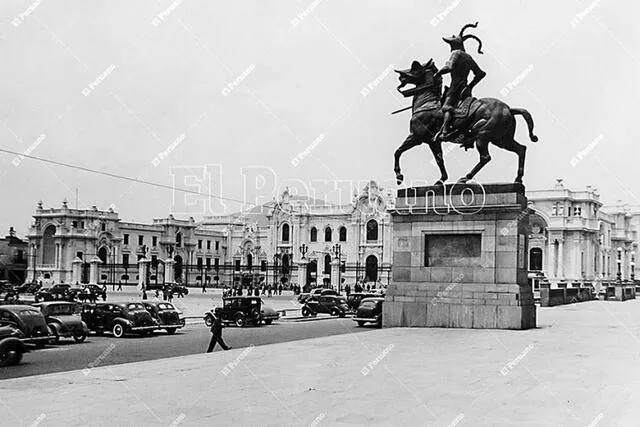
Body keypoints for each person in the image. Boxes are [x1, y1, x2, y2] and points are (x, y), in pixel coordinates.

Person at [434, 22, 486, 143]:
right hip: (464, 89)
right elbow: (480, 74)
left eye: (450, 44)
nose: (450, 47)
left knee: (447, 106)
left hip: (455, 87)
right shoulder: (468, 57)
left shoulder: (456, 53)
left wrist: (437, 74)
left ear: (454, 45)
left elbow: (449, 67)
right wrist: (470, 86)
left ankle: (445, 131)